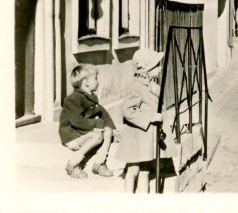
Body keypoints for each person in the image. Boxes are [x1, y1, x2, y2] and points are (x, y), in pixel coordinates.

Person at [116, 48, 170, 193]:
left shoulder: (152, 87)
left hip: (146, 138)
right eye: (156, 66)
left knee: (145, 170)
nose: (160, 68)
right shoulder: (135, 87)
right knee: (133, 169)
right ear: (145, 69)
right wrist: (150, 118)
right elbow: (128, 110)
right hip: (136, 137)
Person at [59, 64, 116, 179]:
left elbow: (103, 113)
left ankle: (99, 163)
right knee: (97, 137)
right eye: (95, 78)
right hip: (72, 135)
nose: (98, 81)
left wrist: (112, 127)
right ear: (86, 82)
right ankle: (73, 163)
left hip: (84, 131)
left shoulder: (91, 96)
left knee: (108, 131)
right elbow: (77, 122)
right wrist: (96, 125)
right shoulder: (73, 99)